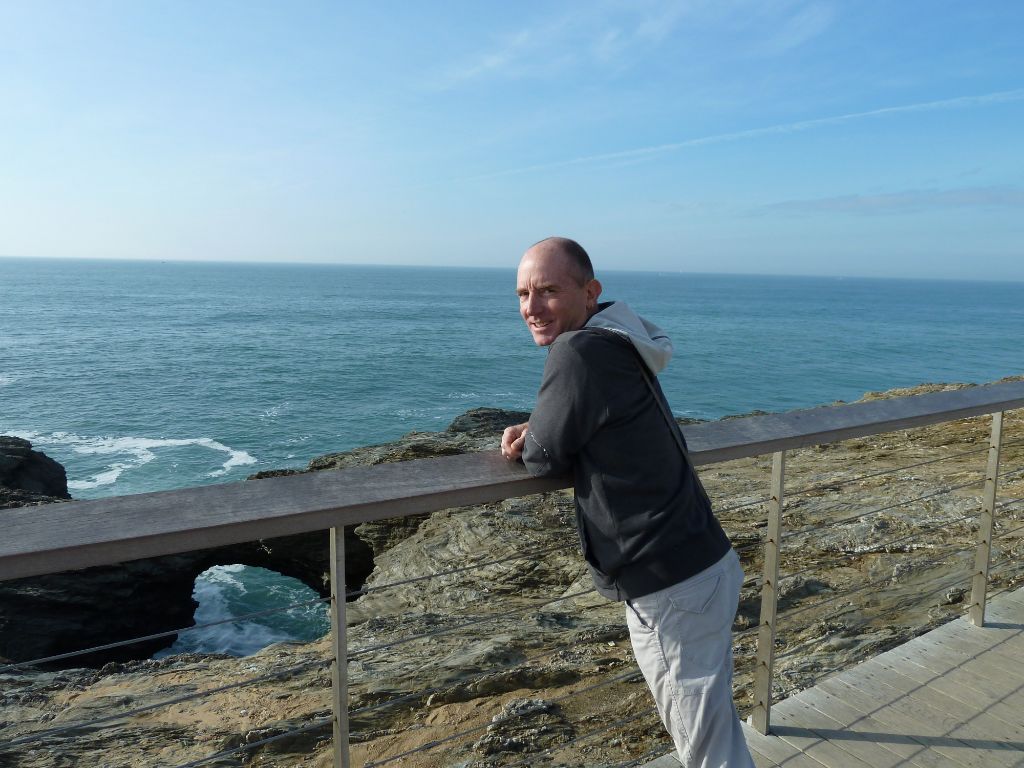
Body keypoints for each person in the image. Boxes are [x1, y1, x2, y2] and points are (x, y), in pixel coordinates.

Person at [501, 237, 754, 767]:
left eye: (548, 290)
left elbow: (543, 457)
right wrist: (545, 422)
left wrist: (535, 432)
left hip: (669, 583)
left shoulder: (576, 351)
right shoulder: (619, 342)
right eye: (523, 293)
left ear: (590, 292)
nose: (532, 306)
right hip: (703, 562)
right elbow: (591, 419)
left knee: (708, 751)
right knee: (714, 732)